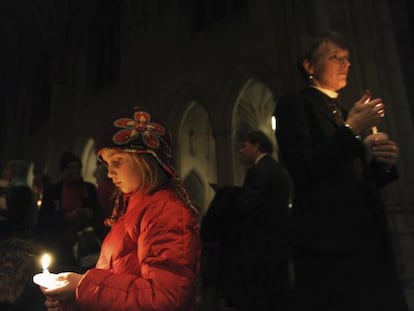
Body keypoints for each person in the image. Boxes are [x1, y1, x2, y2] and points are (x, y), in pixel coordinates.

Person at [275, 31, 408, 310]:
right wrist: (350, 130)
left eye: (347, 58)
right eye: (335, 57)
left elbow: (353, 179)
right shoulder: (295, 106)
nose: (345, 64)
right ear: (309, 66)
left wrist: (382, 165)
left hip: (366, 237)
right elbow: (303, 168)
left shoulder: (343, 110)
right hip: (329, 244)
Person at [38, 107, 201, 311]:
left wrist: (83, 286)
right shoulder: (134, 207)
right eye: (107, 165)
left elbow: (165, 299)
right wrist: (73, 300)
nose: (110, 173)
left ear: (145, 160)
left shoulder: (167, 212)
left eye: (116, 162)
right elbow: (119, 282)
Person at [35, 152, 100, 271]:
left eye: (77, 167)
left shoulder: (88, 189)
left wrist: (88, 214)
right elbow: (44, 217)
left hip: (83, 242)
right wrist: (66, 217)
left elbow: (97, 211)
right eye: (71, 168)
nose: (75, 171)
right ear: (63, 170)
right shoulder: (53, 191)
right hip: (58, 241)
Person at [0, 160, 35, 237]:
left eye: (7, 170)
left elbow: (15, 215)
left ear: (15, 172)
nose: (4, 172)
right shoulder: (17, 188)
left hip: (13, 233)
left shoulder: (20, 190)